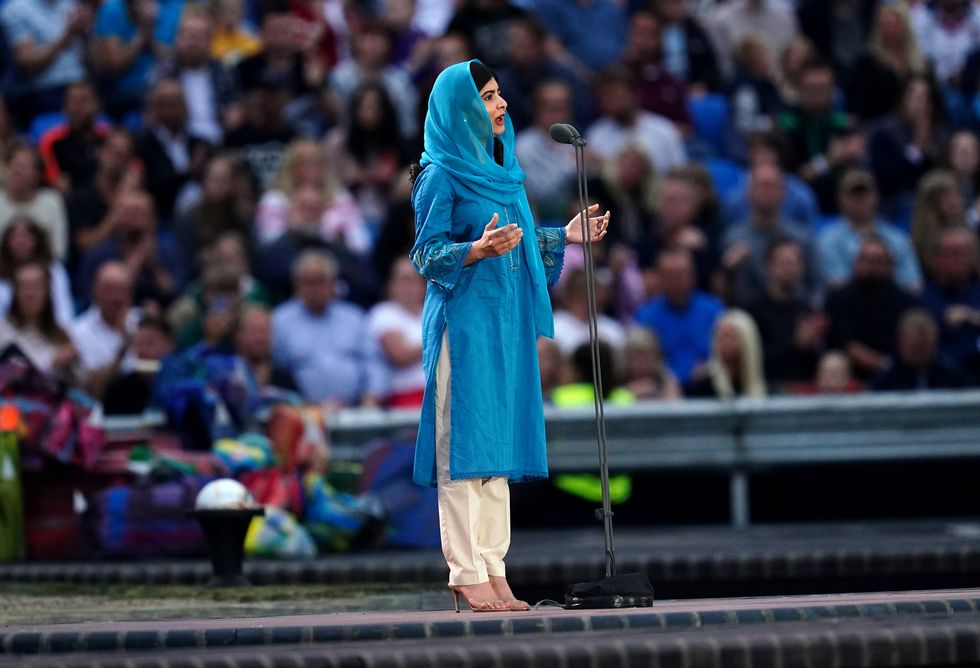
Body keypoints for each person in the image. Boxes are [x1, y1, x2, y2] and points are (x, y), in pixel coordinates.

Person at [408, 60, 608, 613]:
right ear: (460, 108)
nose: (498, 106)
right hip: (462, 324)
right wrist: (474, 250)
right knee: (463, 449)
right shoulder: (439, 175)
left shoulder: (506, 171)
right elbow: (425, 254)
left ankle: (494, 566)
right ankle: (465, 569)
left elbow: (517, 241)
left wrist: (562, 236)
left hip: (504, 325)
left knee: (496, 449)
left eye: (499, 95)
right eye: (487, 97)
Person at [271, 249, 386, 407]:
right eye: (308, 282)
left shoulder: (354, 318)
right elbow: (275, 372)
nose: (314, 288)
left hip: (355, 410)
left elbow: (373, 362)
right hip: (302, 414)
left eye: (320, 281)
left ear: (333, 283)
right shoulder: (280, 320)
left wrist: (372, 396)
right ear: (296, 284)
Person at [816, 169, 923, 293]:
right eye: (853, 195)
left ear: (875, 197)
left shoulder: (897, 238)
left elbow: (914, 285)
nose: (859, 200)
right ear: (841, 199)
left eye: (863, 194)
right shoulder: (828, 240)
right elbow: (837, 283)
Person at [825, 237, 916, 380]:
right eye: (868, 261)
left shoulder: (905, 302)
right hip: (851, 376)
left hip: (899, 375)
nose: (873, 268)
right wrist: (882, 365)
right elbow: (846, 344)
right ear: (856, 263)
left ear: (891, 267)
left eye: (880, 262)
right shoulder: (839, 299)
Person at [634, 248, 723, 389]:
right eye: (671, 276)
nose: (677, 283)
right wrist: (665, 376)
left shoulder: (713, 311)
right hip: (662, 392)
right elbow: (640, 360)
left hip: (710, 386)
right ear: (660, 278)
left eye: (681, 275)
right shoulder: (646, 317)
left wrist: (710, 367)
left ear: (693, 276)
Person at [744, 238, 826, 387]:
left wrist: (814, 346)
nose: (790, 268)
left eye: (795, 263)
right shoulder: (751, 311)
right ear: (768, 267)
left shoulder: (808, 310)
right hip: (765, 392)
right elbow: (752, 361)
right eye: (784, 263)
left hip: (804, 392)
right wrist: (795, 344)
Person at [69, 261, 140, 399]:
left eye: (122, 290)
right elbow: (93, 388)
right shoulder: (78, 332)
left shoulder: (143, 322)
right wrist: (122, 352)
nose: (116, 297)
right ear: (94, 290)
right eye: (109, 289)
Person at [919, 227, 980, 382]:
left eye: (962, 254)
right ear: (937, 258)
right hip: (943, 382)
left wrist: (972, 317)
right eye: (951, 254)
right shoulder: (923, 298)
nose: (957, 261)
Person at [0, 262, 77, 380]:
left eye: (35, 286)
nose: (29, 294)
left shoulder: (60, 334)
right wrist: (52, 363)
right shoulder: (2, 330)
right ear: (15, 292)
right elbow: (8, 375)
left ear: (47, 291)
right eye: (23, 287)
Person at [367, 257, 426, 408]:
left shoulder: (431, 313)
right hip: (405, 396)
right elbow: (400, 356)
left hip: (439, 391)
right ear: (391, 285)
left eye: (414, 279)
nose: (409, 286)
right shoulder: (384, 312)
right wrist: (438, 338)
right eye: (403, 279)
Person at [0, 216, 74, 327]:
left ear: (37, 240)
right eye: (15, 237)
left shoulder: (54, 269)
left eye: (26, 236)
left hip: (47, 331)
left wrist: (60, 333)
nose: (21, 242)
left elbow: (63, 308)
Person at [871, 308, 969, 391]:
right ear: (900, 342)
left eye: (926, 348)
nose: (920, 354)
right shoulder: (885, 381)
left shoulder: (952, 375)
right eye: (915, 348)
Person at [0, 145, 69, 260]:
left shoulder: (52, 201)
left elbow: (59, 251)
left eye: (24, 166)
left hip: (42, 270)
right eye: (14, 165)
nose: (17, 171)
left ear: (38, 174)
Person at [688, 309, 767, 399]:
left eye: (730, 336)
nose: (724, 343)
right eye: (720, 337)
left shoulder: (767, 375)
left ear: (747, 340)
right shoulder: (705, 382)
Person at [620, 325, 682, 400]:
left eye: (646, 357)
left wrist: (657, 392)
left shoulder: (664, 378)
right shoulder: (618, 377)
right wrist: (630, 392)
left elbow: (675, 407)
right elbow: (612, 405)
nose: (641, 363)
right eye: (636, 357)